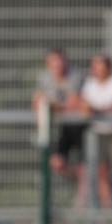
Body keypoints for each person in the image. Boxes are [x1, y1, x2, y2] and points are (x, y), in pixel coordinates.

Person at [32, 48, 86, 207]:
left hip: (79, 127)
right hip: (60, 128)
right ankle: (83, 179)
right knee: (56, 163)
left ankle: (82, 207)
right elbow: (38, 101)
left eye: (60, 62)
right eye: (54, 63)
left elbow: (73, 103)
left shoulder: (75, 76)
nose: (58, 66)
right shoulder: (44, 77)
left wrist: (52, 105)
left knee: (86, 166)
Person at [80, 53, 112, 209]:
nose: (96, 68)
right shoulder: (89, 84)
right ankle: (108, 210)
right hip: (96, 134)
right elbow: (85, 106)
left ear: (108, 67)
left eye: (99, 64)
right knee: (101, 172)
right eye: (94, 65)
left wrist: (97, 110)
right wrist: (100, 110)